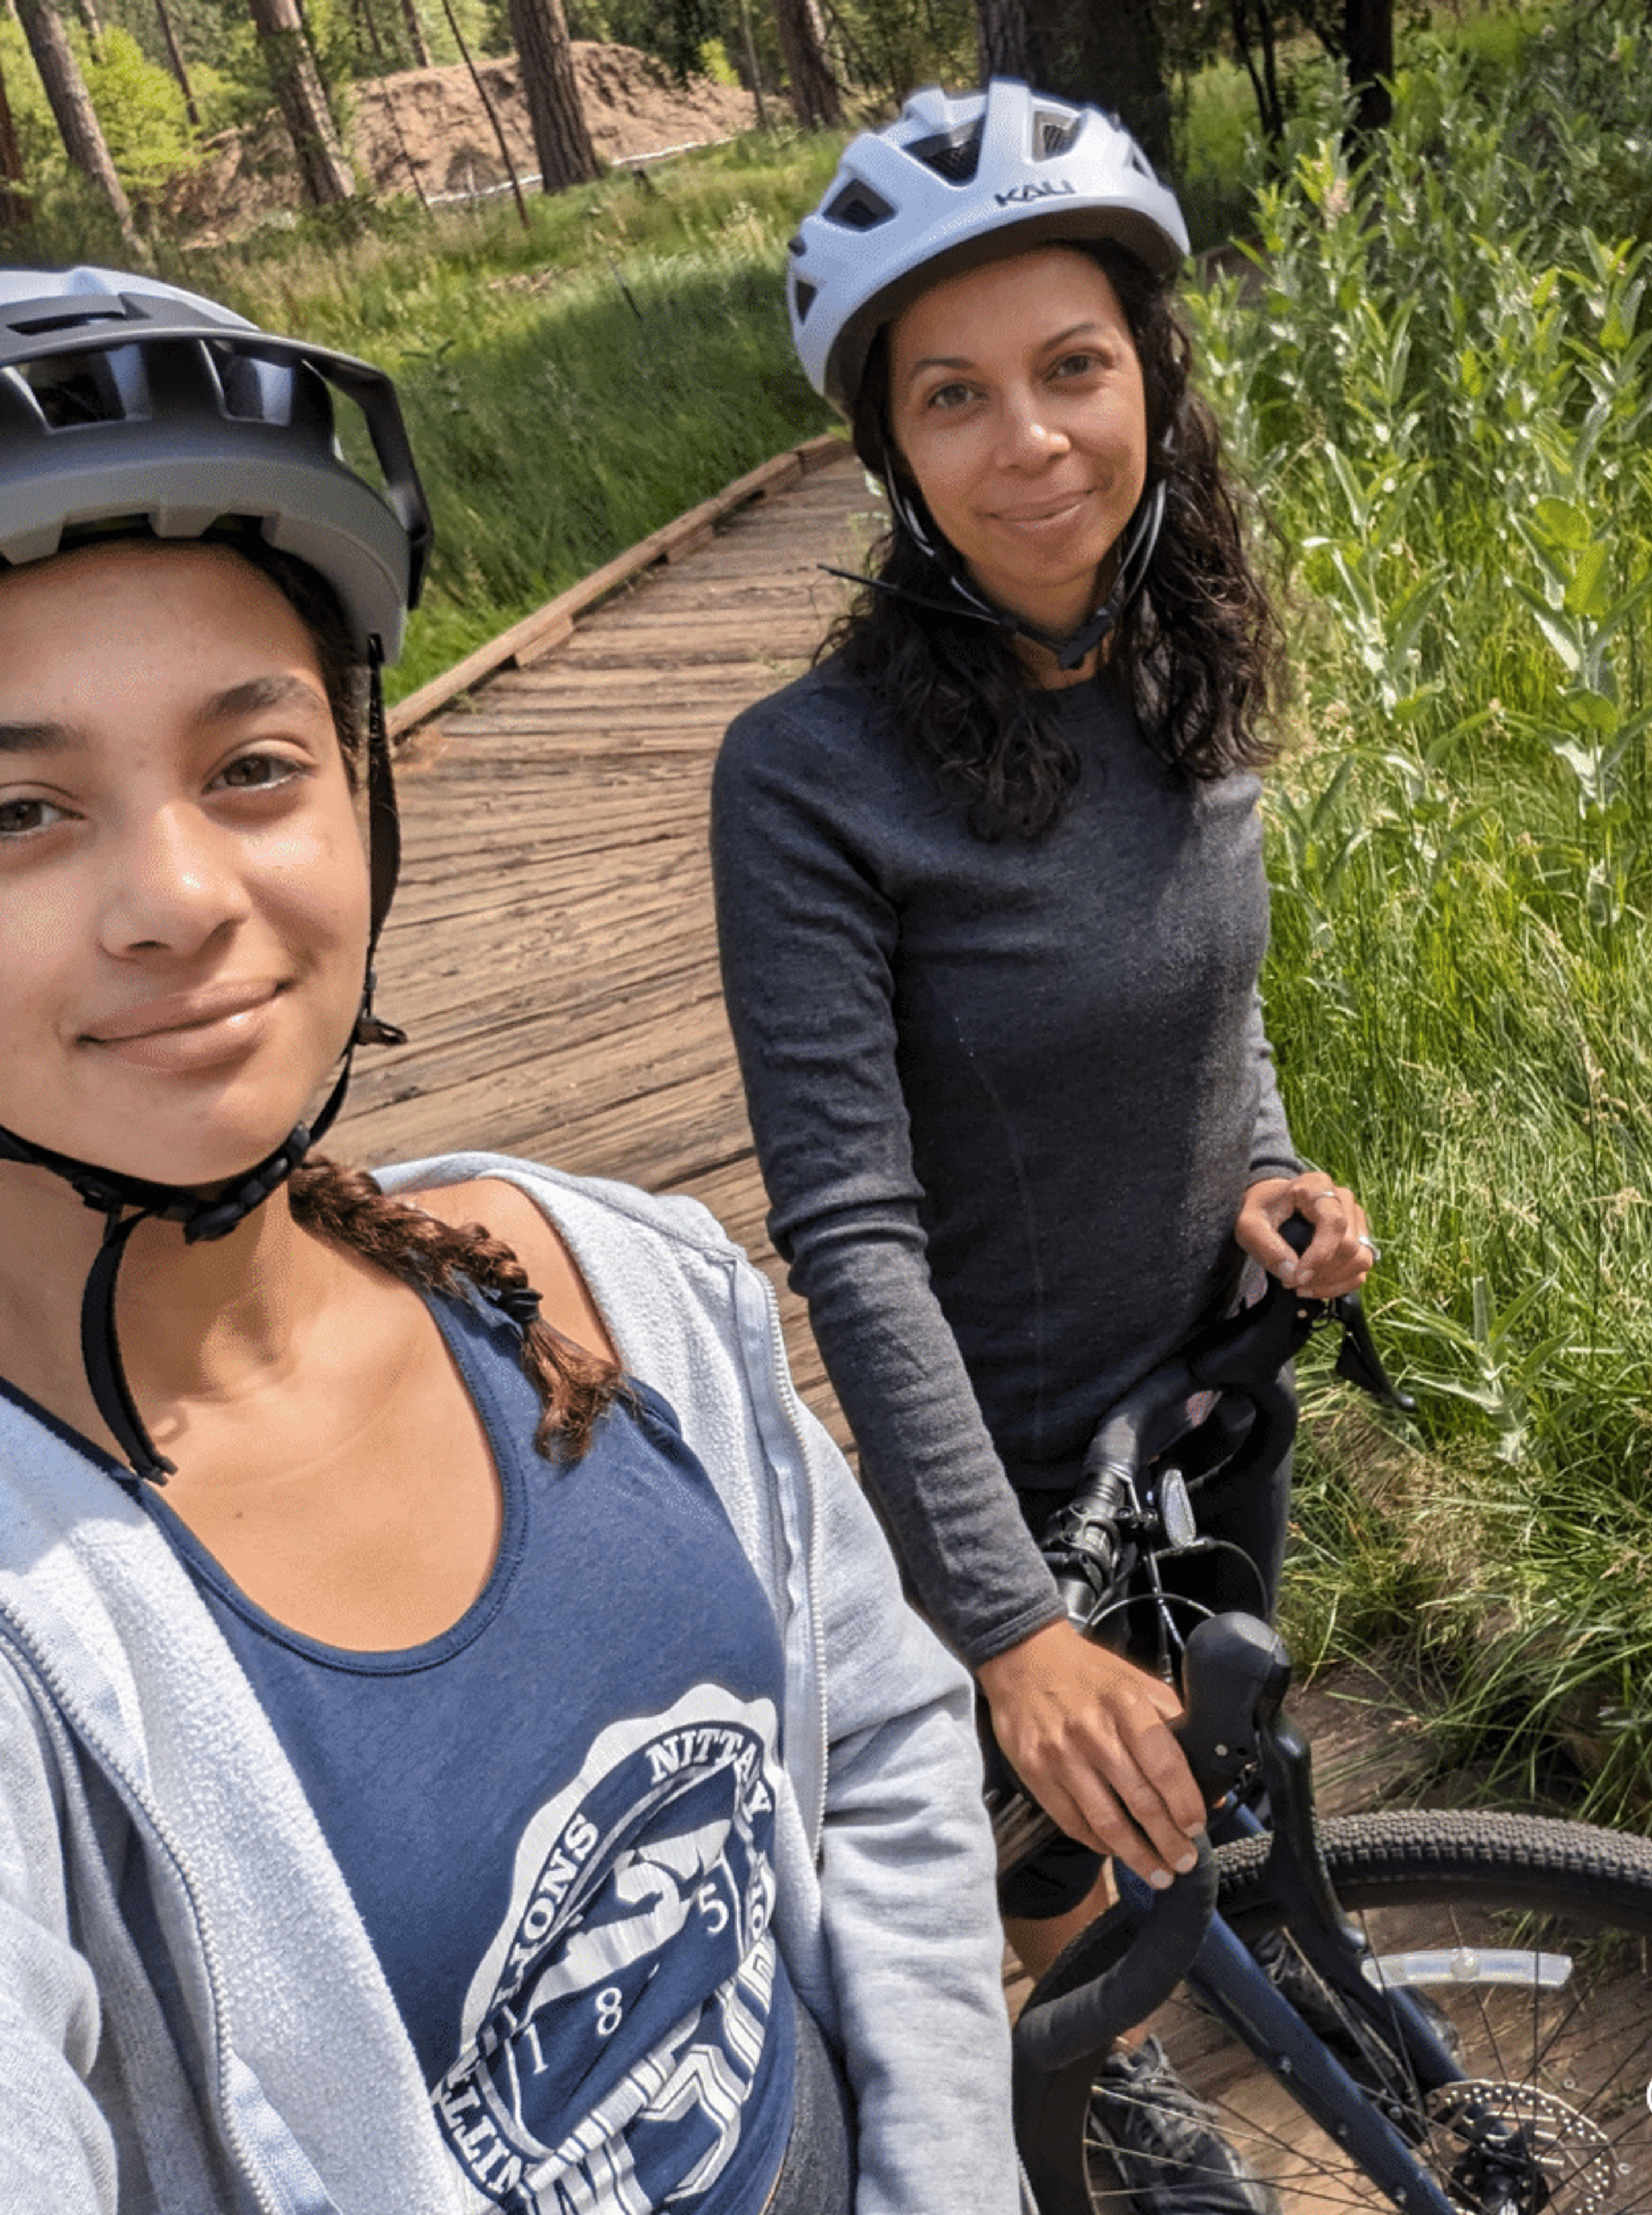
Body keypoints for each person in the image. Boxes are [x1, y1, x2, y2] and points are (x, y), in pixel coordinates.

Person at [0, 265, 1018, 2215]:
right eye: (18, 810)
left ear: (366, 794)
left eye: (252, 766)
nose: (175, 897)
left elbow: (882, 1736)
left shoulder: (607, 1278)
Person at [711, 81, 1374, 2212]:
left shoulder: (1176, 667)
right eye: (955, 395)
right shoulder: (809, 778)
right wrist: (1000, 1631)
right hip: (1007, 1497)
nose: (1033, 444)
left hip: (1209, 1398)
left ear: (1152, 380)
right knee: (1056, 1925)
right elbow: (850, 1224)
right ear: (888, 447)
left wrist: (1272, 1173)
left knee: (1219, 1822)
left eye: (1075, 368)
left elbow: (1213, 1007)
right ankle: (1121, 2145)